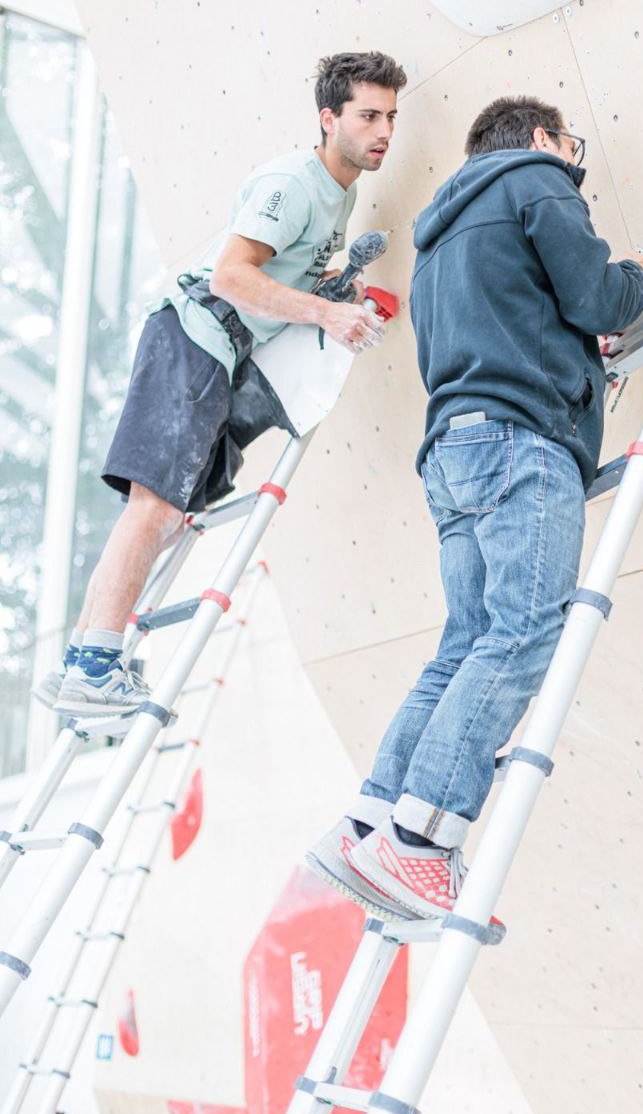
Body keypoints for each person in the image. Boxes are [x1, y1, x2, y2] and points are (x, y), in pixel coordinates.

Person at [308, 94, 643, 921]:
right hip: (520, 444)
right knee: (524, 632)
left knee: (465, 644)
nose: (574, 160)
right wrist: (636, 276)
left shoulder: (440, 233)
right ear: (540, 138)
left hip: (455, 450)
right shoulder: (539, 179)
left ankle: (369, 825)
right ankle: (423, 842)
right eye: (569, 144)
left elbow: (513, 317)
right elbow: (602, 299)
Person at [34, 51, 407, 719]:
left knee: (161, 512)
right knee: (155, 507)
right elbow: (231, 278)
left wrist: (338, 281)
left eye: (392, 117)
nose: (384, 131)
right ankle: (95, 665)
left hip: (215, 352)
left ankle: (79, 665)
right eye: (369, 115)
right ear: (330, 119)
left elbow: (280, 280)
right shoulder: (293, 183)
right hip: (195, 337)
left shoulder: (339, 194)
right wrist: (328, 313)